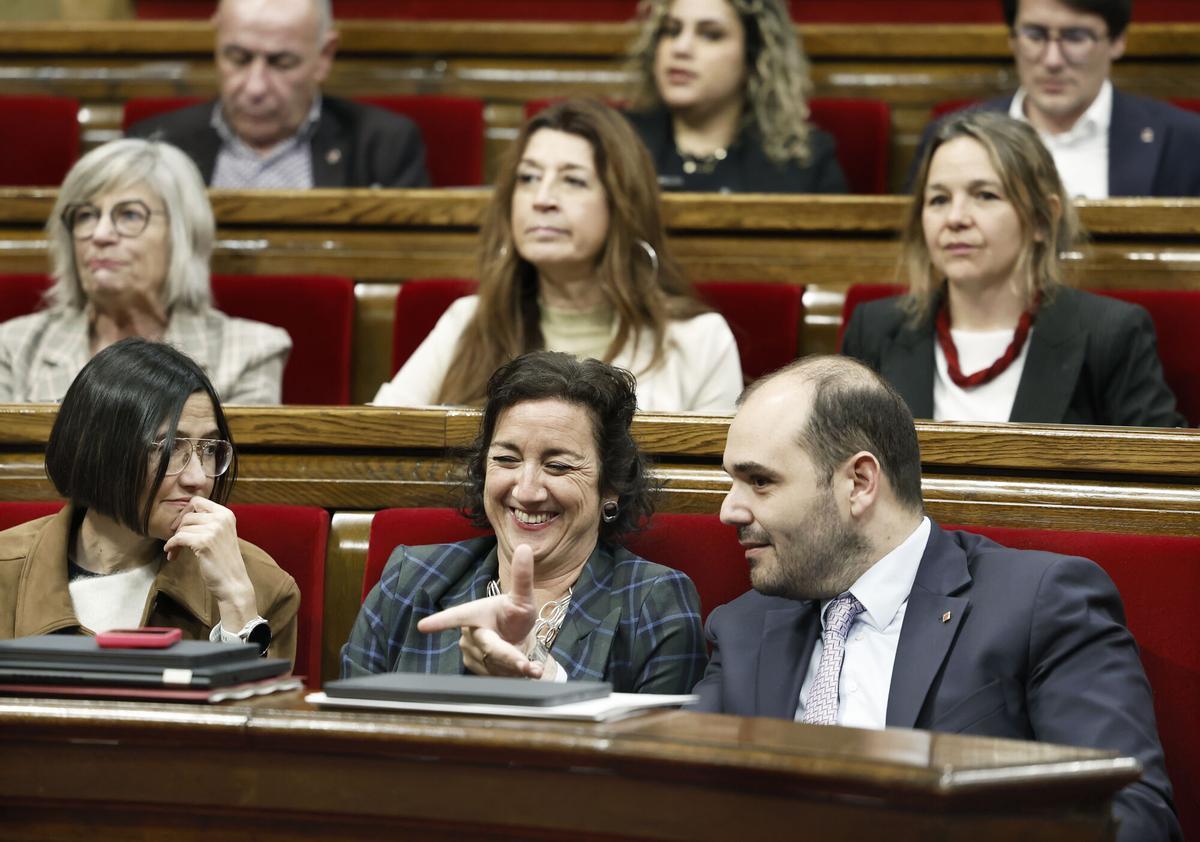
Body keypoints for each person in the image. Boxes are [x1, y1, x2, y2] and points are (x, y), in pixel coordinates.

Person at [692, 354, 1180, 841]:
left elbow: (1133, 817)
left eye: (759, 481)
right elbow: (681, 798)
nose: (728, 510)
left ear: (859, 482)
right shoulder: (741, 627)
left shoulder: (1039, 604)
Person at [344, 351, 706, 692]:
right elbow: (343, 736)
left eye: (558, 466)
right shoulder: (411, 579)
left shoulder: (654, 602)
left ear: (610, 485)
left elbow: (651, 754)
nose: (527, 490)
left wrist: (539, 674)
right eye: (506, 459)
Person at [373, 99, 743, 412]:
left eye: (573, 180)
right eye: (529, 178)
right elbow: (380, 440)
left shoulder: (699, 341)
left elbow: (718, 488)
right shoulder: (467, 320)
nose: (542, 199)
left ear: (622, 205)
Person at [843, 111, 1183, 426]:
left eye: (985, 195)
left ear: (1041, 219)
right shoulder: (874, 331)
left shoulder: (1111, 335)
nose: (956, 218)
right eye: (939, 199)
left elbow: (1165, 475)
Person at [0, 338, 299, 665]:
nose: (198, 478)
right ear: (98, 452)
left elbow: (260, 715)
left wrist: (239, 609)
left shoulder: (261, 585)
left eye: (209, 449)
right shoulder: (7, 570)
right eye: (170, 449)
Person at [0, 138, 291, 405]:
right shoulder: (14, 346)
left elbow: (230, 462)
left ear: (181, 236)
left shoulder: (248, 352)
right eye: (85, 215)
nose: (100, 235)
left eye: (129, 214)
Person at [127, 0, 429, 189]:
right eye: (238, 58)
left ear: (324, 56)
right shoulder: (157, 143)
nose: (255, 87)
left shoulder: (381, 146)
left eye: (281, 63)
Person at [912, 0, 1200, 197]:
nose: (1052, 60)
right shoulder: (948, 137)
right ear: (1012, 39)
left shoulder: (1184, 140)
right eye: (1035, 35)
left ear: (1117, 41)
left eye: (1075, 37)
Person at [624, 0, 847, 194]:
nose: (680, 48)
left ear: (754, 56)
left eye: (710, 34)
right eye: (671, 31)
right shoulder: (614, 142)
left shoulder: (805, 163)